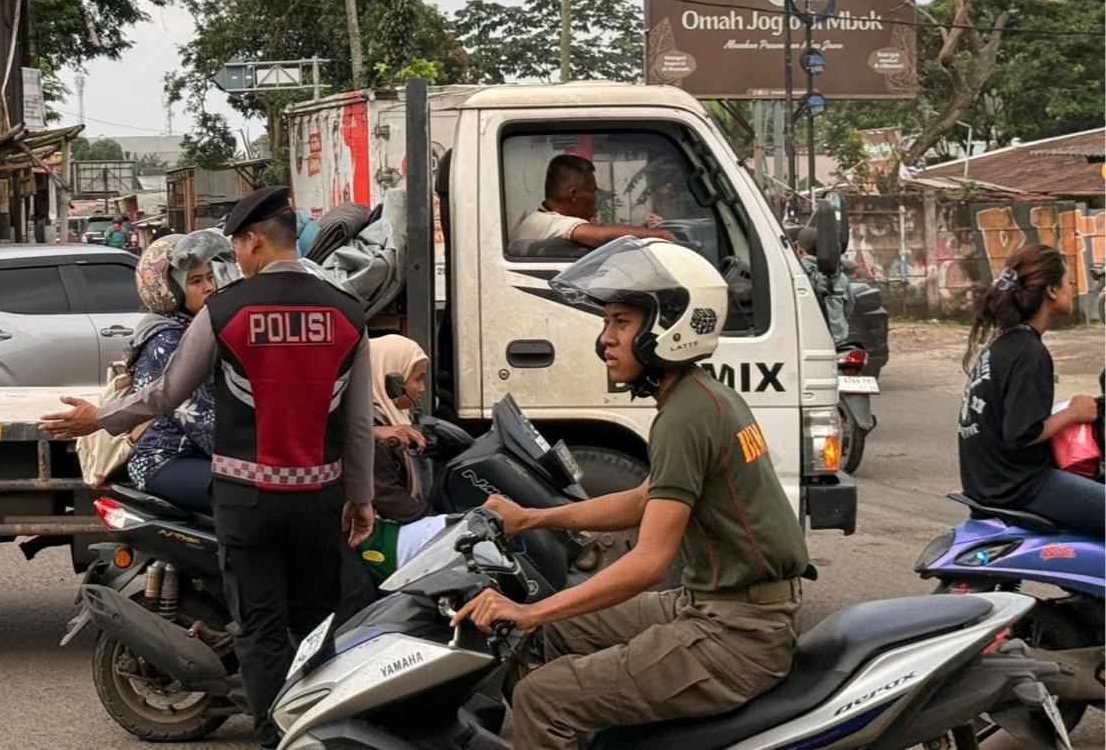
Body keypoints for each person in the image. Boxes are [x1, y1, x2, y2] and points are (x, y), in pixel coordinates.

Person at [40, 186, 375, 748]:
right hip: (319, 496)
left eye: (235, 250)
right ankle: (322, 729)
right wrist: (361, 498)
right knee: (317, 624)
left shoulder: (227, 311)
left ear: (252, 241)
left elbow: (167, 392)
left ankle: (277, 738)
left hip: (246, 499)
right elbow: (358, 423)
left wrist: (102, 417)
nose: (230, 265)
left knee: (262, 628)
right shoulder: (348, 313)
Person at [451, 237, 811, 750]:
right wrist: (529, 517)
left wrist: (530, 609)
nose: (605, 340)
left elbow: (647, 563)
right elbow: (644, 501)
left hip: (735, 635)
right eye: (607, 323)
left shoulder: (686, 416)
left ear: (671, 325)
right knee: (553, 635)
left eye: (621, 323)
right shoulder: (704, 397)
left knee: (541, 697)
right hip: (715, 606)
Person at [959, 243, 1103, 535]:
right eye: (1067, 283)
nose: (1071, 290)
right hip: (1020, 486)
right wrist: (1074, 413)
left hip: (988, 482)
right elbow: (1020, 433)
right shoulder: (1029, 353)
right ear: (1051, 290)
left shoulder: (1004, 346)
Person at [123, 230, 237, 513]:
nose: (209, 287)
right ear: (169, 290)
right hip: (166, 458)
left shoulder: (202, 328)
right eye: (196, 281)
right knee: (244, 498)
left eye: (211, 277)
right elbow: (203, 421)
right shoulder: (167, 340)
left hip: (199, 456)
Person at [356, 335, 450, 582]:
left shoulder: (395, 421)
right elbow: (386, 497)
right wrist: (434, 519)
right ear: (390, 381)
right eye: (417, 378)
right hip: (378, 537)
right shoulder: (373, 431)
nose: (422, 389)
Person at [510, 154, 677, 249]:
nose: (595, 198)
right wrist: (661, 235)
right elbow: (600, 236)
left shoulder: (540, 220)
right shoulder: (547, 222)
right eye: (592, 191)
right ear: (574, 194)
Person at [795, 225, 855, 346]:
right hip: (838, 341)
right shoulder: (841, 277)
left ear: (800, 250)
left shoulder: (796, 273)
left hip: (807, 342)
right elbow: (849, 306)